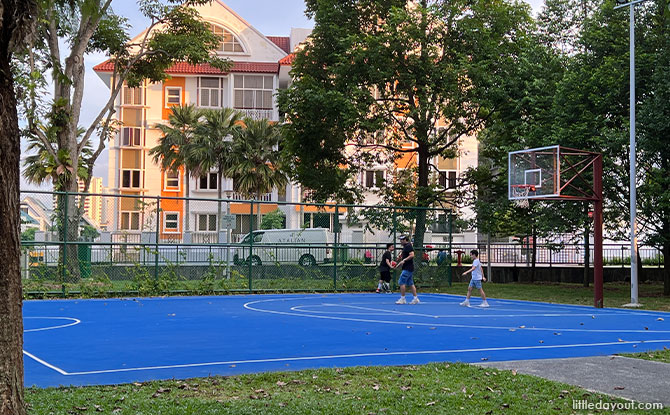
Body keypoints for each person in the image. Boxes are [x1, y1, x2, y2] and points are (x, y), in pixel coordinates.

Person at [394, 235, 419, 304]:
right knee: (411, 283)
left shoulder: (408, 246)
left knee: (401, 282)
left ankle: (403, 299)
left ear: (405, 240)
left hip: (408, 268)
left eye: (401, 240)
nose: (400, 241)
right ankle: (415, 298)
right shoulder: (405, 247)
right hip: (407, 267)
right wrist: (398, 264)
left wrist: (404, 260)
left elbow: (412, 255)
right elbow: (403, 259)